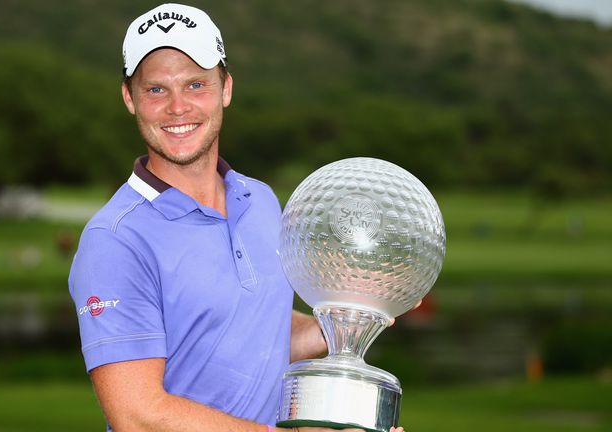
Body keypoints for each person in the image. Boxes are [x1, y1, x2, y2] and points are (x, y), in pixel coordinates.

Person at [69, 4, 406, 432]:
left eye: (196, 84)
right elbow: (137, 415)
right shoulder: (115, 240)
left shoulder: (260, 200)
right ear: (129, 97)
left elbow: (254, 331)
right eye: (156, 89)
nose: (178, 107)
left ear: (225, 88)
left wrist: (343, 317)